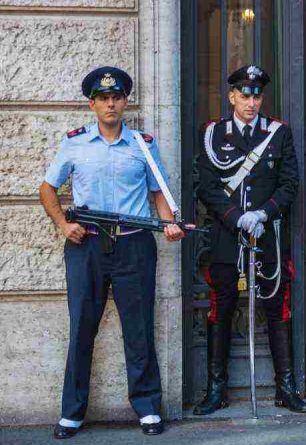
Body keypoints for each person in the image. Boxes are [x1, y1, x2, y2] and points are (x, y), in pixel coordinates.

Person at [40, 66, 184, 439]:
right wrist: (62, 224)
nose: (110, 104)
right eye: (103, 98)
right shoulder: (74, 142)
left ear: (124, 102)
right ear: (93, 104)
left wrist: (169, 224)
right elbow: (47, 189)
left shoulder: (143, 144)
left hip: (134, 243)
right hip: (86, 245)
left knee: (139, 331)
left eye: (116, 97)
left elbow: (158, 193)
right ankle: (72, 413)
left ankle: (148, 409)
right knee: (81, 329)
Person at [194, 64, 306, 415]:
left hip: (267, 236)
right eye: (244, 94)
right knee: (222, 306)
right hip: (227, 237)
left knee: (278, 306)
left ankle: (285, 387)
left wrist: (263, 214)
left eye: (256, 95)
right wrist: (235, 217)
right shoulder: (213, 134)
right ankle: (217, 390)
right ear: (232, 96)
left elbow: (290, 184)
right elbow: (206, 186)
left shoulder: (278, 133)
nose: (251, 101)